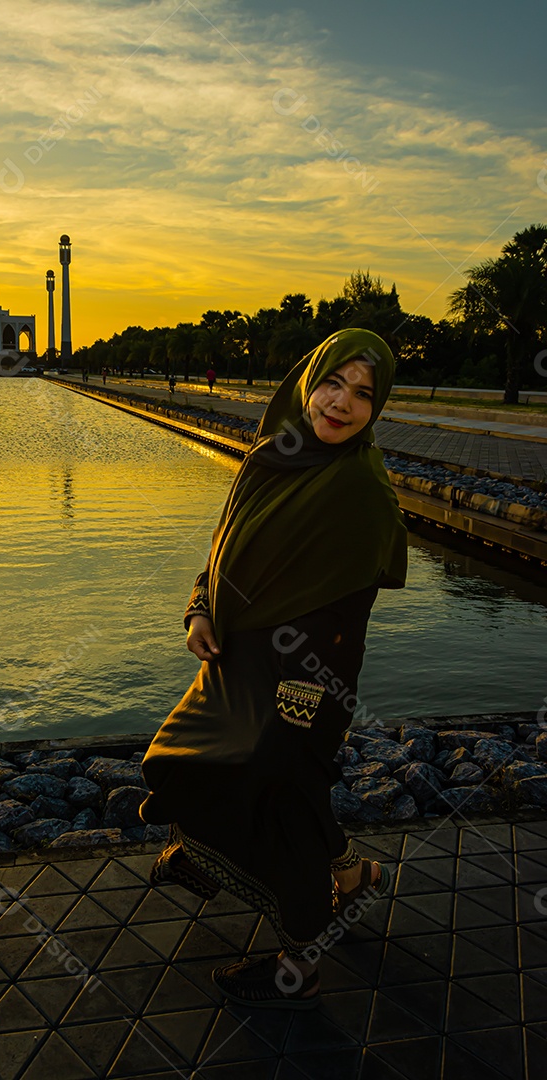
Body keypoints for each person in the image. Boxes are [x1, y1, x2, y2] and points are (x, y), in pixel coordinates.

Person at [140, 328, 408, 1009]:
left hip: (301, 681)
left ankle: (300, 962)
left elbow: (347, 617)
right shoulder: (275, 455)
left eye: (363, 394)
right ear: (307, 383)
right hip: (237, 663)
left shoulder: (359, 488)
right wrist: (201, 608)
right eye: (332, 383)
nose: (341, 404)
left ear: (377, 407)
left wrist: (299, 700)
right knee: (197, 760)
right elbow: (226, 542)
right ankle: (351, 875)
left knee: (281, 803)